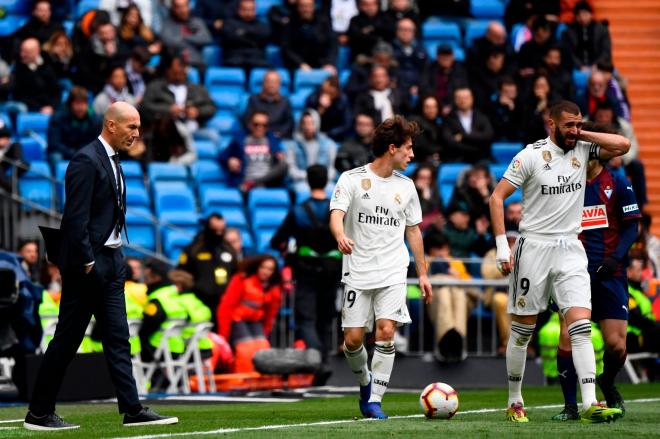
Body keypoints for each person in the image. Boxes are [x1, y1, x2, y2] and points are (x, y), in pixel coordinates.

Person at [25, 102, 177, 430]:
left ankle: (132, 408)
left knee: (118, 337)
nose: (137, 134)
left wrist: (112, 258)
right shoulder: (85, 159)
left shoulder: (109, 159)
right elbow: (75, 218)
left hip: (111, 261)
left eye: (138, 127)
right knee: (67, 340)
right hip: (88, 265)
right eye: (131, 127)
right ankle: (38, 413)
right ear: (111, 125)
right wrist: (87, 262)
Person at [488, 100, 630, 423]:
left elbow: (624, 144)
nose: (575, 131)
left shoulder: (583, 148)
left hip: (570, 249)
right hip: (533, 248)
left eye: (579, 124)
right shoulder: (530, 156)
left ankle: (591, 402)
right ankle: (514, 401)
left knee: (580, 327)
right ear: (551, 124)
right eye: (569, 125)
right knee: (523, 332)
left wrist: (583, 135)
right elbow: (497, 197)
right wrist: (501, 246)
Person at [329, 115, 433, 419]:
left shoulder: (408, 187)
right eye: (408, 148)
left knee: (386, 331)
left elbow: (413, 230)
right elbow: (337, 213)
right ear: (392, 148)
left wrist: (423, 273)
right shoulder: (351, 178)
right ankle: (364, 382)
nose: (412, 155)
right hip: (358, 270)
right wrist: (340, 235)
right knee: (353, 340)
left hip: (393, 269)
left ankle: (375, 400)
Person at [551, 137, 641, 421]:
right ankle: (570, 406)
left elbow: (631, 227)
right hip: (573, 271)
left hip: (609, 273)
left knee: (617, 345)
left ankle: (607, 381)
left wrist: (615, 259)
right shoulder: (566, 184)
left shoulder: (617, 183)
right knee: (568, 335)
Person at [270, 165, 341, 381]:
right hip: (332, 270)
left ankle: (318, 360)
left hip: (306, 271)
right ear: (326, 180)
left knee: (306, 320)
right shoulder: (336, 211)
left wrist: (289, 251)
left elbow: (277, 241)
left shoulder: (298, 211)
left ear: (308, 182)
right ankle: (324, 361)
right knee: (325, 319)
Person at [217, 255, 282, 372]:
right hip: (237, 319)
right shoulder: (242, 280)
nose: (266, 272)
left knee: (263, 347)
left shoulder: (274, 289)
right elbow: (226, 307)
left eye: (270, 269)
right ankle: (241, 380)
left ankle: (262, 379)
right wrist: (224, 335)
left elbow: (270, 315)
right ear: (257, 267)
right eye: (263, 267)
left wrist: (265, 332)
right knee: (246, 350)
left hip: (255, 321)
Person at [177, 213, 238, 328]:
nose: (218, 233)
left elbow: (235, 273)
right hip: (199, 300)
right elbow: (181, 272)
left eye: (221, 230)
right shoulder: (194, 248)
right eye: (215, 229)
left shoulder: (228, 249)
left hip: (223, 302)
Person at [219, 110, 288, 191]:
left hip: (267, 182)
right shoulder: (240, 140)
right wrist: (229, 160)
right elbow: (222, 156)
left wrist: (280, 156)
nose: (260, 128)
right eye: (256, 124)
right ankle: (251, 184)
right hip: (245, 181)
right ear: (250, 125)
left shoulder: (272, 140)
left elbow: (279, 155)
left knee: (284, 166)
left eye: (264, 125)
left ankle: (253, 183)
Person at [47, 86, 103, 164]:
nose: (80, 108)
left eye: (83, 103)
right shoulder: (58, 118)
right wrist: (74, 153)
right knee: (55, 156)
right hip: (64, 152)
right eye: (77, 103)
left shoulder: (95, 120)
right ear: (70, 104)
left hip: (86, 153)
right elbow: (54, 144)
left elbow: (97, 143)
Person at [287, 110, 338, 192]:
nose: (307, 127)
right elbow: (291, 170)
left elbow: (332, 170)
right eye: (305, 123)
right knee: (302, 190)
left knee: (332, 190)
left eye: (311, 123)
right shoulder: (293, 145)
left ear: (317, 124)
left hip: (324, 182)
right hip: (302, 181)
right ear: (300, 125)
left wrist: (320, 178)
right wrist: (310, 176)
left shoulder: (329, 144)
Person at [440, 87, 494, 163]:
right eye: (459, 98)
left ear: (472, 98)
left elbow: (488, 136)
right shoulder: (448, 118)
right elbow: (449, 141)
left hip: (481, 158)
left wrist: (463, 137)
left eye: (466, 98)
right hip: (457, 158)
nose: (463, 101)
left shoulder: (482, 116)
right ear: (455, 100)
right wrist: (474, 143)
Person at [282, 0, 337, 73]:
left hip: (322, 63)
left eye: (309, 6)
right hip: (298, 65)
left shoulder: (323, 22)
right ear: (298, 8)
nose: (306, 10)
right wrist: (300, 63)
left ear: (314, 7)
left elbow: (333, 45)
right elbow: (287, 49)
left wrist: (329, 63)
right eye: (303, 7)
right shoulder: (290, 24)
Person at [159, 0, 212, 72]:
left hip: (196, 63)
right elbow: (168, 41)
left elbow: (206, 39)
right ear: (173, 9)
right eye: (179, 7)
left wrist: (185, 37)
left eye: (185, 6)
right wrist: (193, 38)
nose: (182, 10)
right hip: (175, 64)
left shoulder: (196, 22)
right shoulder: (167, 23)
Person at [11, 37, 60, 114]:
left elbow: (55, 91)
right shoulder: (19, 69)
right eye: (22, 51)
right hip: (30, 107)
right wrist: (40, 108)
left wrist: (51, 107)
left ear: (36, 52)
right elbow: (19, 95)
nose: (22, 54)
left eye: (26, 52)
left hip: (49, 107)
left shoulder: (48, 65)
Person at [220, 0, 270, 73]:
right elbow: (230, 38)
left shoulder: (262, 25)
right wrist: (253, 39)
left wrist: (242, 33)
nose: (248, 13)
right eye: (245, 10)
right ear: (239, 10)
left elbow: (265, 37)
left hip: (257, 59)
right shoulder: (229, 23)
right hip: (234, 58)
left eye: (251, 10)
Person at [561, 1, 612, 71]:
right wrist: (580, 66)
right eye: (579, 15)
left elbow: (605, 52)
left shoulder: (601, 30)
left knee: (614, 78)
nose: (582, 18)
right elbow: (568, 53)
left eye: (585, 14)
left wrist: (596, 65)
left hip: (599, 66)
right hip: (575, 68)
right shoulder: (568, 32)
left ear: (591, 14)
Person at [243, 70, 294, 138]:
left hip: (279, 138)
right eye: (269, 82)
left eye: (274, 82)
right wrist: (258, 132)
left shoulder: (285, 101)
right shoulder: (253, 100)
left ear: (279, 84)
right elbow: (247, 120)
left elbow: (289, 123)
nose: (271, 85)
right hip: (257, 138)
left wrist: (279, 134)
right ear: (263, 83)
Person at [409, 96, 441, 164]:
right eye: (427, 107)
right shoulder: (415, 122)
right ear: (422, 107)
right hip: (416, 161)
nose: (431, 110)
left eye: (434, 107)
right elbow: (421, 146)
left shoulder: (439, 122)